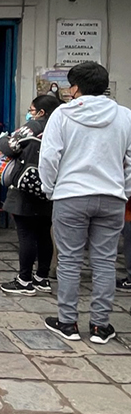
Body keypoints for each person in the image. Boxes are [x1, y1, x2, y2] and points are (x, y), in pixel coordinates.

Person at [40, 62, 131, 345]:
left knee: (69, 260)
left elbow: (49, 157)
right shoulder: (125, 116)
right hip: (112, 197)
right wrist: (124, 190)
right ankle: (100, 326)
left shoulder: (62, 115)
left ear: (76, 88)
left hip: (71, 196)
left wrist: (49, 188)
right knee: (105, 262)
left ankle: (67, 322)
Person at [0, 94, 62, 295]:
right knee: (44, 233)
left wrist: (1, 139)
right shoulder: (62, 128)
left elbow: (9, 146)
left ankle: (24, 280)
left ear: (41, 112)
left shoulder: (34, 127)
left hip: (25, 187)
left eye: (32, 110)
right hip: (50, 187)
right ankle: (42, 278)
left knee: (26, 234)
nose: (29, 113)